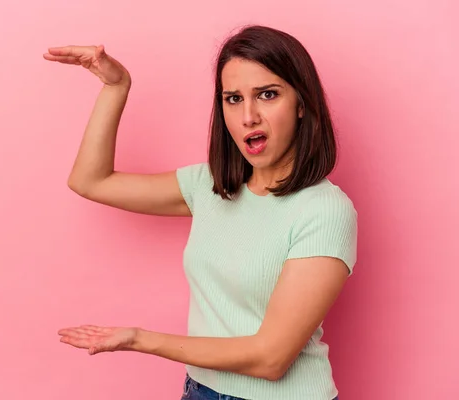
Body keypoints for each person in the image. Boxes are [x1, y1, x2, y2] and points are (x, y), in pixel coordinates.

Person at [43, 24, 357, 400]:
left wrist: (141, 339)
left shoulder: (324, 210)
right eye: (233, 99)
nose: (249, 117)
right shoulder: (210, 186)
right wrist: (116, 87)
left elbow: (271, 359)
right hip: (201, 391)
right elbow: (90, 181)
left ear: (302, 104)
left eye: (268, 95)